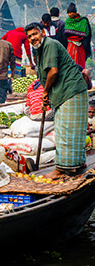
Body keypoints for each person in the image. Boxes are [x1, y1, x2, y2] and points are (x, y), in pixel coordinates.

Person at [25, 22, 88, 179]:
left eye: (35, 34)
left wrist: (45, 91)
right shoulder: (39, 50)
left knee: (64, 131)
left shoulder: (50, 44)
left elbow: (53, 72)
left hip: (71, 90)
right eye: (29, 36)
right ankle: (76, 164)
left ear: (43, 33)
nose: (33, 38)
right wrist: (46, 94)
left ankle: (60, 169)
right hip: (69, 91)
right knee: (72, 130)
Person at [64, 3, 92, 69]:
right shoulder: (68, 21)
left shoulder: (83, 21)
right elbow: (65, 34)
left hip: (81, 45)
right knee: (70, 64)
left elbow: (87, 34)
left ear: (75, 12)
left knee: (80, 63)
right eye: (68, 13)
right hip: (71, 45)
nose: (69, 14)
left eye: (71, 12)